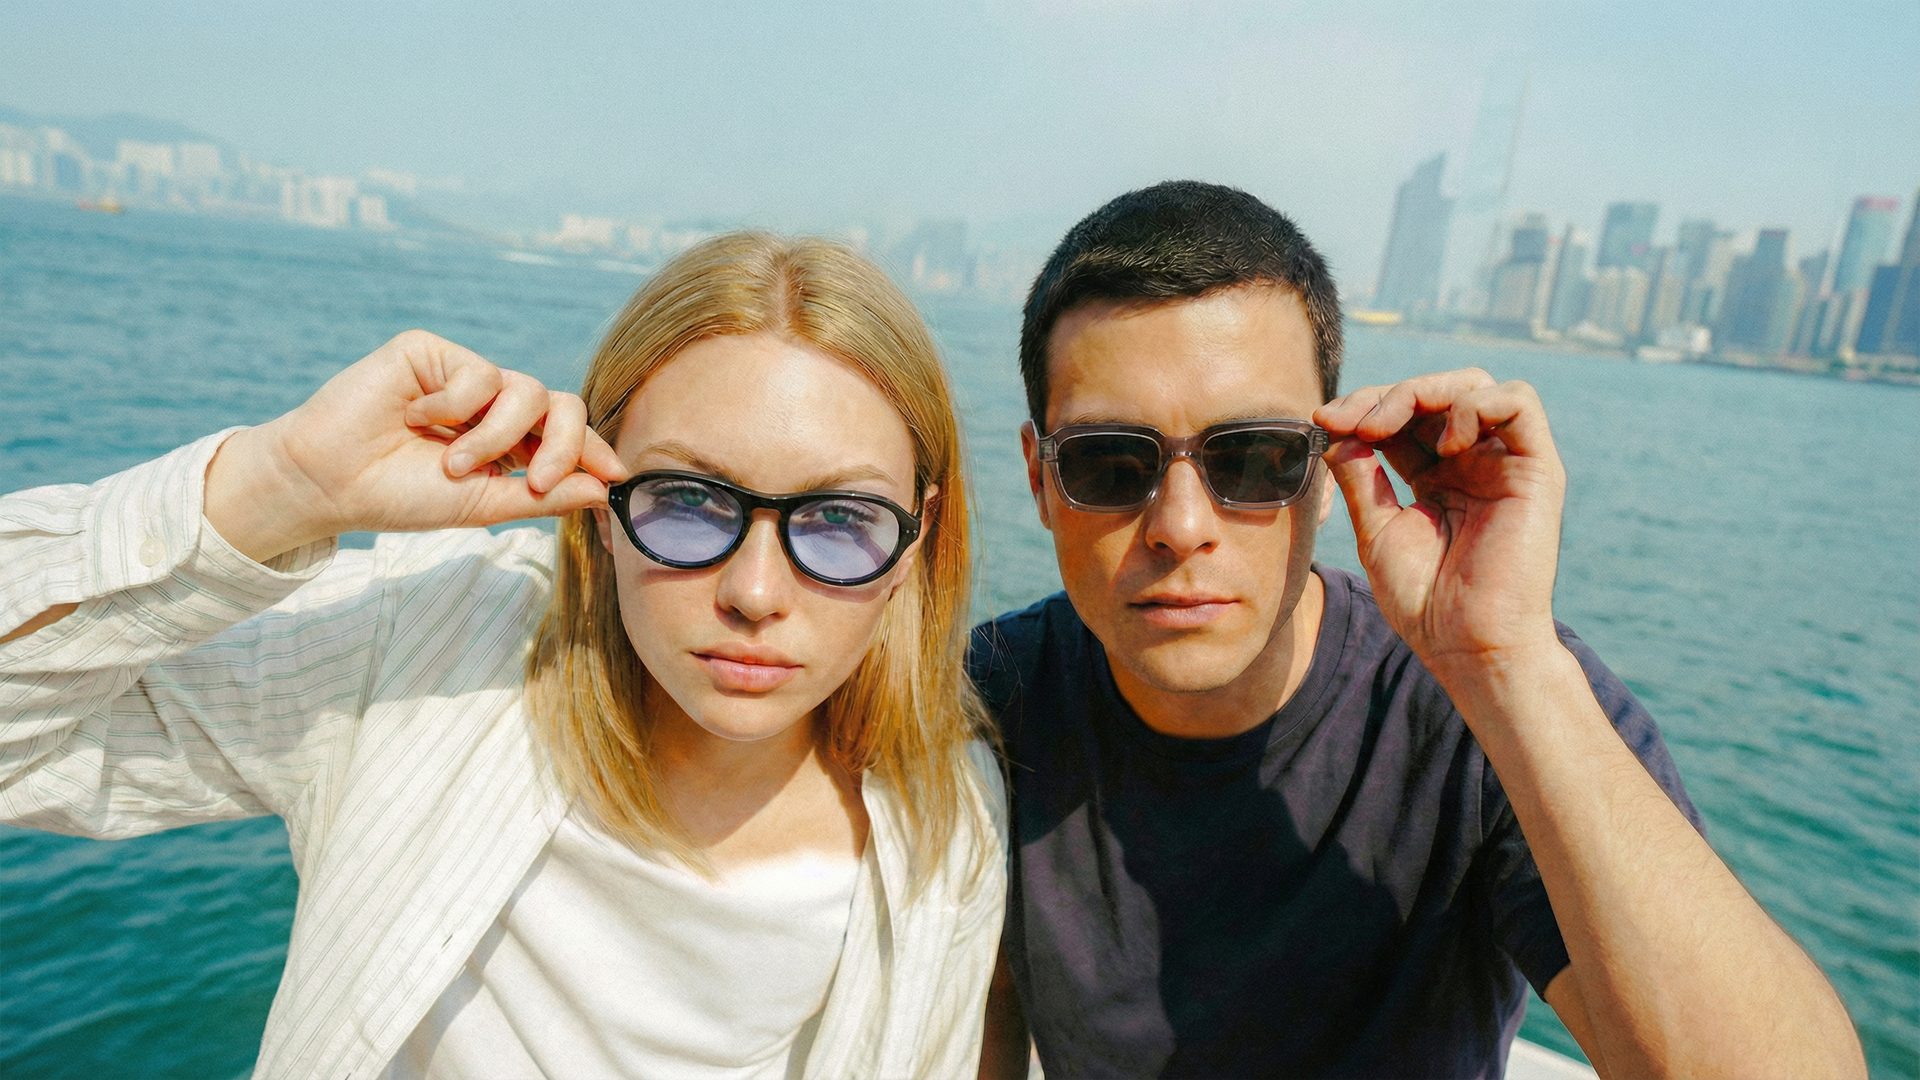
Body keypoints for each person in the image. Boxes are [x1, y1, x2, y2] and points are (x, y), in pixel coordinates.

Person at [0, 232, 1007, 1079]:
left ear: (917, 538)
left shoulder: (950, 835)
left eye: (840, 520)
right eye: (687, 501)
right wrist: (281, 488)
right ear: (600, 505)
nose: (753, 592)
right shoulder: (428, 652)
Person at [970, 182, 1866, 1078]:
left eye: (1252, 457)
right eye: (1107, 462)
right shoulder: (992, 703)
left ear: (1326, 471)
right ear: (1041, 481)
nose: (1181, 525)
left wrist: (1503, 661)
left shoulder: (1482, 714)